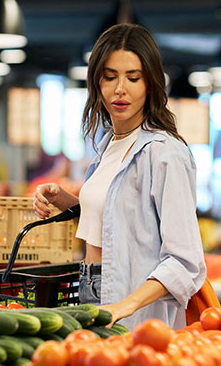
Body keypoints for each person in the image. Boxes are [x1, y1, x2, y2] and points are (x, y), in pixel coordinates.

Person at [33, 23, 206, 330]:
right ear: (96, 83)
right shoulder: (107, 147)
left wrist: (125, 305)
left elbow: (185, 262)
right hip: (88, 288)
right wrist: (64, 199)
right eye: (110, 77)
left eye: (133, 77)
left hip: (132, 305)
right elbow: (116, 223)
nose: (120, 89)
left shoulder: (165, 154)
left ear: (150, 83)